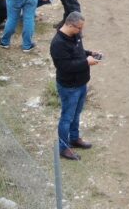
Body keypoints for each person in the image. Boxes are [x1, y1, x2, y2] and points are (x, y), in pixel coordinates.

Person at [50, 11, 102, 161]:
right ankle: (63, 147)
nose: (81, 31)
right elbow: (66, 66)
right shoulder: (58, 44)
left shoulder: (75, 35)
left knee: (76, 113)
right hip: (69, 87)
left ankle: (74, 138)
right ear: (70, 25)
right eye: (79, 28)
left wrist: (89, 53)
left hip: (81, 83)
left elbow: (78, 53)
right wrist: (87, 62)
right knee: (67, 117)